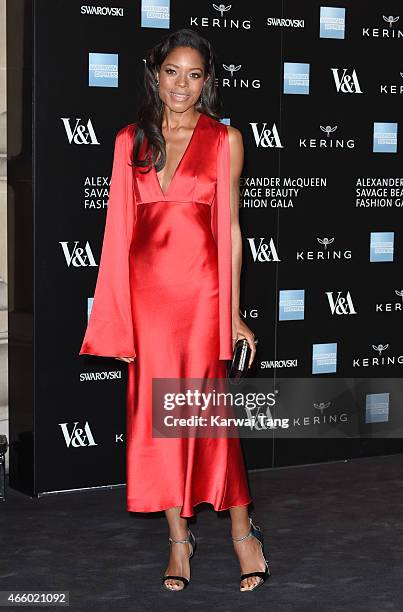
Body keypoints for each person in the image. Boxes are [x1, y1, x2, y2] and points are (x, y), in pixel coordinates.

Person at [79, 28, 270, 593]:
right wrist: (119, 313)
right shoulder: (129, 140)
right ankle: (178, 542)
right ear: (154, 75)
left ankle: (242, 533)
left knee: (209, 419)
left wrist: (233, 311)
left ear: (207, 81)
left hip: (204, 296)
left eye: (193, 74)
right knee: (157, 424)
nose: (181, 85)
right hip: (148, 301)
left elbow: (232, 231)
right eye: (171, 73)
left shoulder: (225, 139)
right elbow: (118, 229)